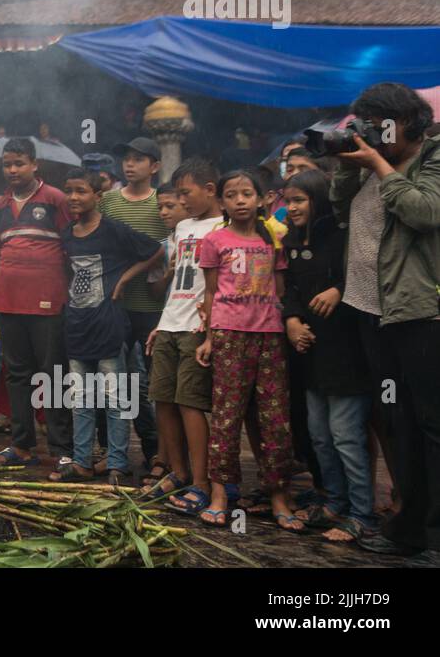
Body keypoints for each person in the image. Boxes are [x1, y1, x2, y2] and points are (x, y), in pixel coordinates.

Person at [331, 82, 440, 559]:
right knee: (399, 423)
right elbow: (341, 214)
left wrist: (378, 165)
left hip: (420, 312)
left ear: (409, 123)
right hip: (370, 310)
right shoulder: (375, 161)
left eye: (381, 127)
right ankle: (408, 528)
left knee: (433, 426)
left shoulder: (432, 158)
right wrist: (347, 167)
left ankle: (437, 539)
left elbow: (426, 211)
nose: (374, 135)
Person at [195, 169, 302, 531]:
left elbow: (281, 289)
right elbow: (209, 293)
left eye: (246, 194)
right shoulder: (214, 240)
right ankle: (221, 494)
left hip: (270, 335)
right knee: (226, 417)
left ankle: (278, 495)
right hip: (229, 334)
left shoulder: (274, 240)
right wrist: (209, 337)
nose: (240, 201)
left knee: (275, 420)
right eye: (231, 194)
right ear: (222, 201)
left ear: (262, 198)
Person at [281, 168, 375, 544]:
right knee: (319, 435)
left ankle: (363, 513)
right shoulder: (291, 242)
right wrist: (291, 320)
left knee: (346, 436)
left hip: (346, 350)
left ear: (318, 200)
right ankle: (334, 502)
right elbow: (291, 288)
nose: (291, 208)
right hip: (310, 349)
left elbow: (364, 276)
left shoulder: (342, 237)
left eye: (299, 200)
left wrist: (339, 289)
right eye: (288, 201)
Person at [56, 168, 162, 485]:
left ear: (97, 196)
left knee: (116, 399)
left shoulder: (114, 230)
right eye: (69, 191)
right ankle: (82, 461)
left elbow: (156, 251)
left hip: (109, 325)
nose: (74, 197)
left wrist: (125, 280)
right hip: (77, 325)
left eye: (81, 191)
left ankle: (117, 462)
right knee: (82, 400)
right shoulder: (67, 234)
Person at [0, 137, 73, 470]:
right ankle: (21, 445)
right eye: (7, 164)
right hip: (9, 303)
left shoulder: (55, 199)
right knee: (17, 375)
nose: (12, 170)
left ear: (34, 164)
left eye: (19, 163)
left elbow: (69, 250)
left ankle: (62, 448)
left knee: (52, 375)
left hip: (48, 303)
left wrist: (62, 293)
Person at [146, 159, 224, 511]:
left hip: (197, 325)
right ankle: (177, 472)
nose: (181, 201)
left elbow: (217, 284)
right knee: (162, 398)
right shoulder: (182, 228)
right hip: (170, 321)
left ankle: (201, 482)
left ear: (210, 189)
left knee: (190, 402)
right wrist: (160, 322)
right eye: (177, 195)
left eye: (186, 194)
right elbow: (178, 280)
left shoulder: (224, 226)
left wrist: (210, 326)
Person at [98, 137, 164, 472]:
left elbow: (166, 248)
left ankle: (158, 453)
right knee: (114, 381)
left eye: (139, 159)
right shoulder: (108, 201)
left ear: (154, 166)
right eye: (127, 158)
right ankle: (112, 451)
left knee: (157, 384)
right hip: (114, 306)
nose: (130, 165)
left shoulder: (161, 202)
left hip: (154, 306)